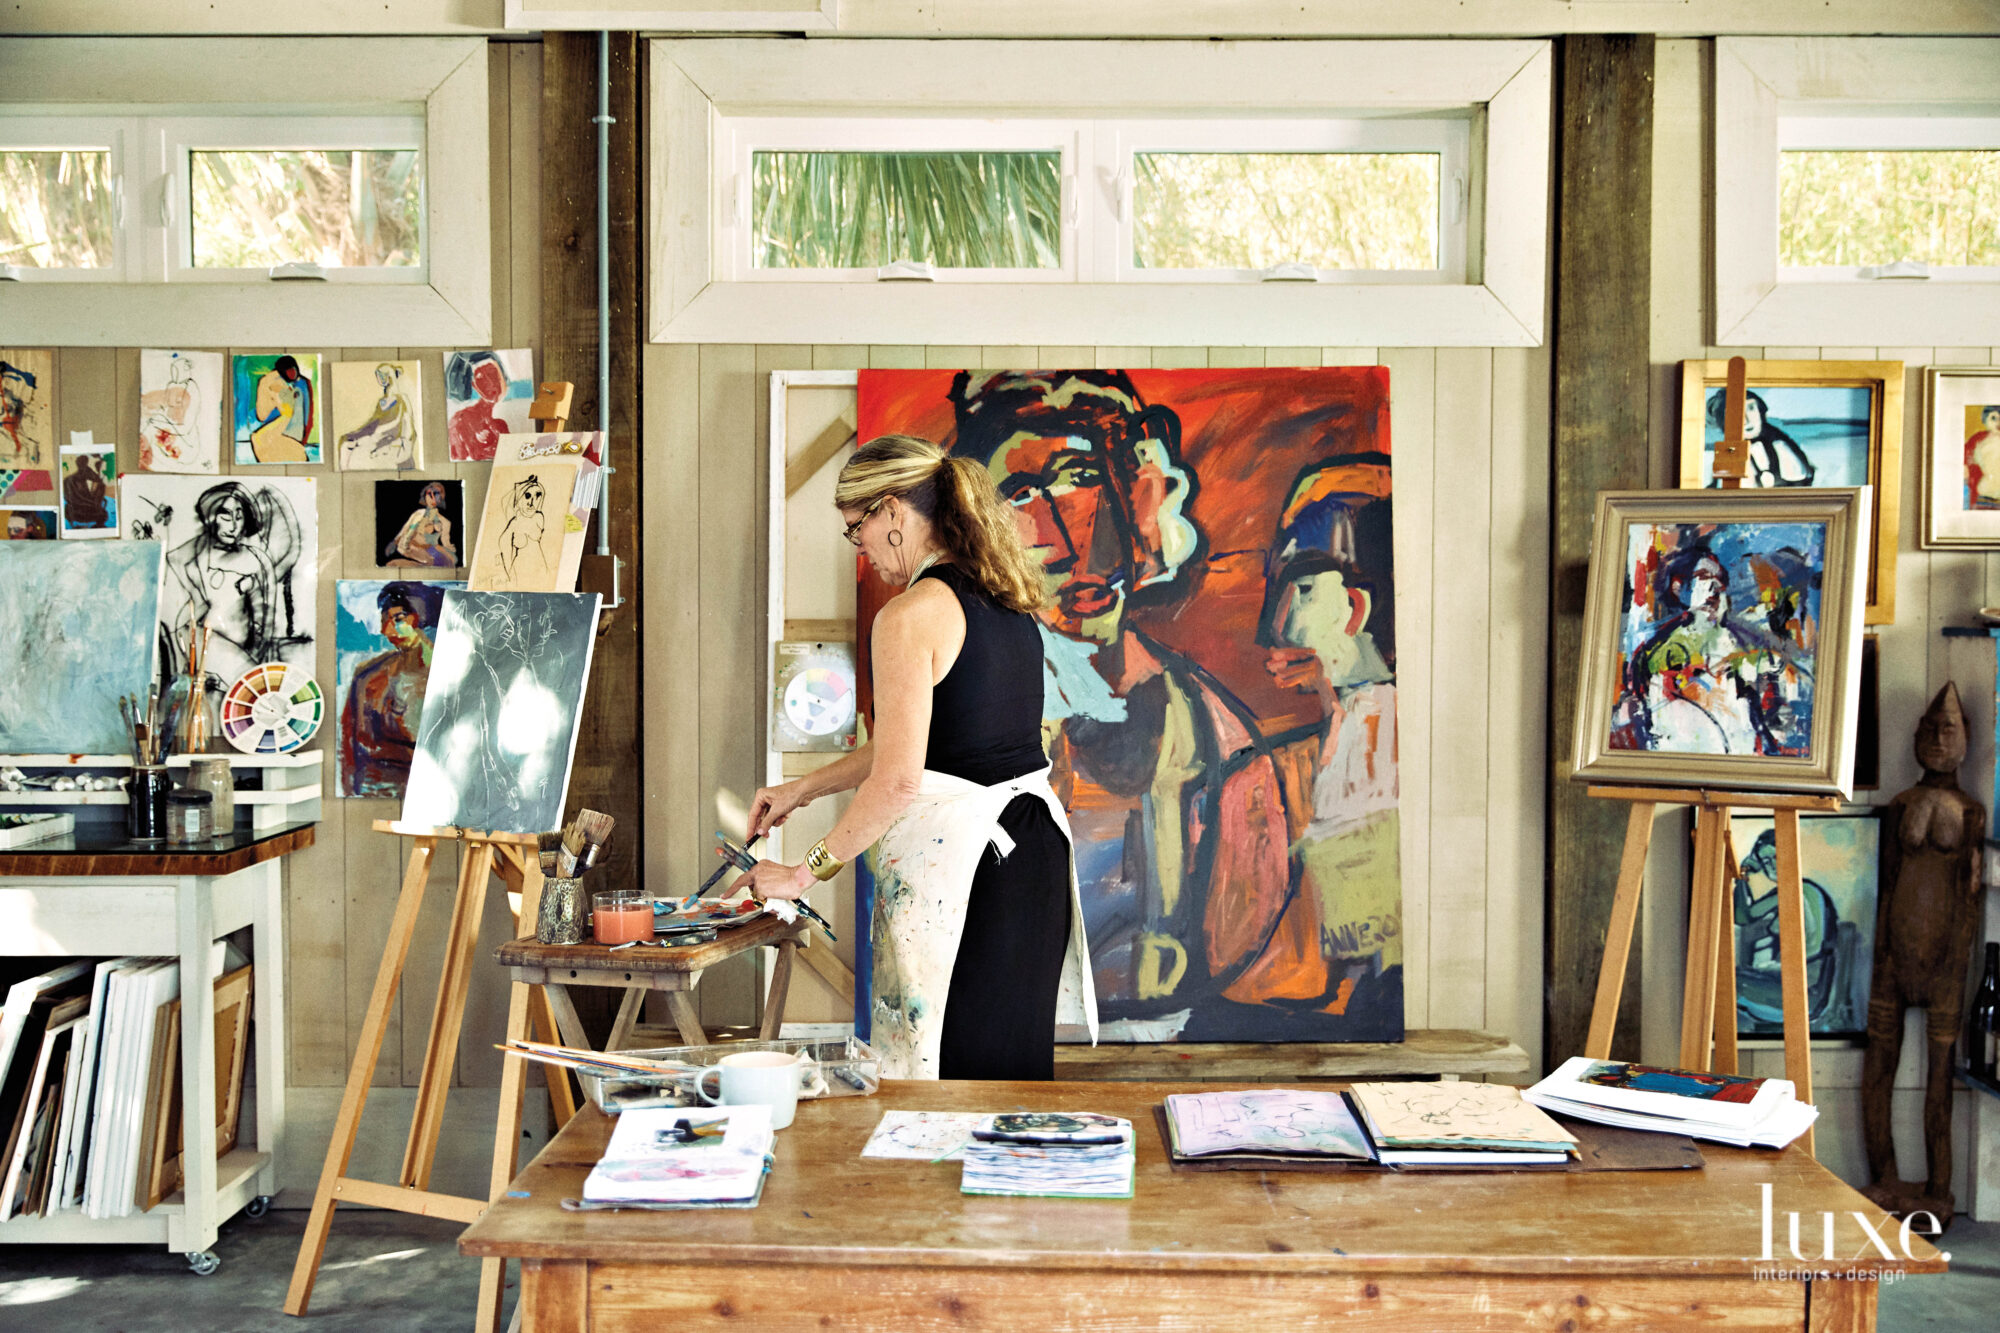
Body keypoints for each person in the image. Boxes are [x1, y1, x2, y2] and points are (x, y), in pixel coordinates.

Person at [732, 434, 1097, 1080]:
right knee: (1008, 1091)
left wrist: (801, 873)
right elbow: (926, 744)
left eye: (857, 530)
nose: (861, 552)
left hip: (973, 878)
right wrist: (803, 789)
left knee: (951, 1097)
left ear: (893, 512)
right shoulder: (1006, 601)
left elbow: (899, 779)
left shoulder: (907, 617)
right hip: (1033, 858)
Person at [944, 369, 1293, 1038]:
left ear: (1142, 493)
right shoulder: (971, 724)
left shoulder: (1219, 738)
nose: (1077, 541)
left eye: (1082, 477)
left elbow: (1246, 920)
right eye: (1021, 492)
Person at [341, 582, 440, 796]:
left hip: (433, 790)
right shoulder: (368, 674)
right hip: (374, 787)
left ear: (421, 619)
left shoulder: (451, 674)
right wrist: (351, 789)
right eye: (384, 620)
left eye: (398, 619)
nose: (386, 630)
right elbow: (350, 741)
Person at [1707, 389, 1815, 487]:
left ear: (1761, 411)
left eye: (1751, 408)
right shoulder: (1726, 454)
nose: (1746, 420)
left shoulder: (1780, 446)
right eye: (1736, 413)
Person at [337, 363, 415, 468]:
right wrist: (359, 433)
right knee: (346, 442)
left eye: (381, 377)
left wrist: (375, 434)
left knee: (356, 448)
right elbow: (374, 421)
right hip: (378, 435)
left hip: (391, 438)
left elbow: (399, 422)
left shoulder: (401, 398)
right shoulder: (382, 401)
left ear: (388, 377)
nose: (379, 380)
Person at [249, 355, 314, 463]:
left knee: (260, 440)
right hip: (285, 435)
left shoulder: (301, 385)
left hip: (291, 436)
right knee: (260, 440)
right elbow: (262, 416)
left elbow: (307, 414)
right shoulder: (273, 382)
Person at [384, 481, 458, 568]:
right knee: (430, 561)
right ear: (425, 495)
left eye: (436, 494)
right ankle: (396, 565)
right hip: (410, 545)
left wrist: (449, 549)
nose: (432, 497)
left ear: (441, 497)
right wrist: (395, 542)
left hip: (428, 548)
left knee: (451, 560)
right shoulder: (419, 514)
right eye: (429, 494)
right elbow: (406, 528)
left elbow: (446, 543)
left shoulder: (445, 522)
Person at [62, 452, 111, 530]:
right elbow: (72, 500)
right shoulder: (69, 481)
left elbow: (99, 501)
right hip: (77, 515)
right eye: (94, 466)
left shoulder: (100, 483)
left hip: (96, 516)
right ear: (83, 465)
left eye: (99, 465)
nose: (97, 470)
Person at [1964, 405, 2000, 509]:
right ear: (1985, 420)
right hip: (1985, 495)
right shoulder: (1978, 441)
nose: (1998, 422)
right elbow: (1966, 463)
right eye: (1993, 418)